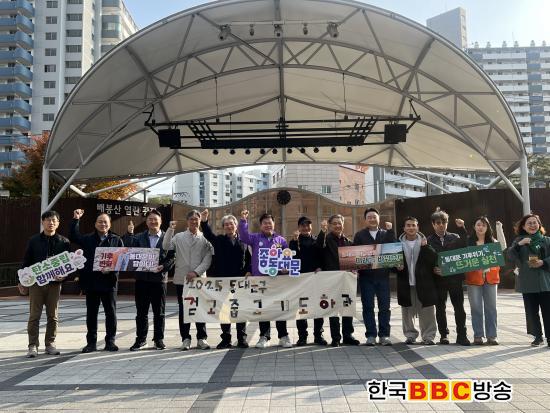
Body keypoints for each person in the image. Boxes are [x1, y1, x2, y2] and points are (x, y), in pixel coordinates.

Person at [70, 209, 123, 353]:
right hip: (91, 282)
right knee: (91, 314)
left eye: (105, 222)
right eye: (100, 222)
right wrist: (76, 219)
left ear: (110, 224)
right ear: (95, 224)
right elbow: (73, 236)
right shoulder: (87, 239)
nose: (102, 224)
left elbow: (122, 260)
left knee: (110, 313)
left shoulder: (116, 240)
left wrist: (111, 270)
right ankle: (91, 343)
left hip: (109, 282)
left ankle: (110, 342)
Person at [238, 210, 292, 349]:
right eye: (265, 223)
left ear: (274, 224)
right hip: (261, 280)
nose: (268, 225)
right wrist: (243, 221)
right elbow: (243, 236)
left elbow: (287, 257)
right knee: (263, 309)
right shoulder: (255, 238)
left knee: (279, 308)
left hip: (277, 280)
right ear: (261, 225)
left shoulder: (280, 240)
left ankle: (283, 336)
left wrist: (286, 268)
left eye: (270, 222)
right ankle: (264, 337)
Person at [21, 210, 70, 358]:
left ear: (58, 223)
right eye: (48, 220)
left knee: (53, 316)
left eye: (54, 220)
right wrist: (22, 281)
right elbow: (26, 261)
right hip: (36, 284)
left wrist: (64, 277)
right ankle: (32, 345)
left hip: (55, 284)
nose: (51, 223)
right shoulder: (33, 240)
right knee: (34, 316)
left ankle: (50, 344)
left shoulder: (64, 242)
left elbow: (69, 265)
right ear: (42, 222)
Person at [123, 210, 175, 351]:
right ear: (146, 222)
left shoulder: (167, 237)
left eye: (155, 219)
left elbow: (172, 257)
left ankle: (158, 340)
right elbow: (128, 250)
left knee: (160, 312)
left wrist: (164, 267)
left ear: (161, 221)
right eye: (150, 219)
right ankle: (141, 340)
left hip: (159, 280)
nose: (153, 222)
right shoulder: (139, 237)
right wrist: (129, 233)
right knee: (141, 312)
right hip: (142, 280)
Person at [200, 209, 251, 349]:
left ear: (236, 225)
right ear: (223, 227)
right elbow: (208, 234)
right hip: (223, 281)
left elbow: (248, 259)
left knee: (240, 309)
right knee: (224, 310)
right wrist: (204, 221)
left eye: (231, 224)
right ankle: (226, 338)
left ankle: (242, 338)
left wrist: (248, 271)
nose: (229, 226)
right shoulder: (219, 240)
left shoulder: (244, 241)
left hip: (240, 281)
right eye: (226, 224)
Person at [163, 210, 213, 350]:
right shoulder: (179, 237)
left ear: (200, 221)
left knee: (200, 308)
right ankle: (185, 338)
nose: (194, 221)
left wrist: (196, 272)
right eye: (191, 219)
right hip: (182, 279)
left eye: (196, 219)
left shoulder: (205, 238)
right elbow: (166, 246)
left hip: (199, 280)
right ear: (187, 221)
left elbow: (208, 258)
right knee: (184, 309)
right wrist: (170, 230)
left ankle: (202, 338)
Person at [427, 208, 471, 346]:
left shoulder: (455, 237)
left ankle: (462, 335)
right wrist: (433, 269)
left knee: (459, 308)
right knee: (440, 308)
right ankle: (443, 335)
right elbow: (427, 260)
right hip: (438, 280)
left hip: (454, 279)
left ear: (447, 223)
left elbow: (465, 245)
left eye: (444, 222)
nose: (441, 225)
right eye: (438, 223)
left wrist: (462, 228)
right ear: (433, 224)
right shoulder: (428, 241)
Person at [353, 208, 395, 346]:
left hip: (383, 277)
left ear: (379, 218)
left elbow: (393, 251)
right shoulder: (359, 235)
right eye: (369, 217)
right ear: (365, 220)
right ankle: (371, 335)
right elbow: (355, 256)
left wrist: (391, 231)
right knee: (368, 307)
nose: (372, 219)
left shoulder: (386, 233)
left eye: (374, 217)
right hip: (366, 278)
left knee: (385, 307)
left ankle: (384, 335)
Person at [316, 214, 360, 347]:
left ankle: (348, 335)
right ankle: (335, 337)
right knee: (333, 308)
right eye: (334, 223)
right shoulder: (325, 239)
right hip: (331, 280)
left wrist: (355, 269)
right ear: (329, 226)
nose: (337, 225)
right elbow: (318, 247)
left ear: (343, 225)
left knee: (347, 306)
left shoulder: (348, 242)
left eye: (339, 223)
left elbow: (354, 261)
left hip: (346, 280)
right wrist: (322, 231)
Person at [508, 214, 550, 347]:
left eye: (534, 223)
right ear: (524, 227)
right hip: (527, 282)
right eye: (529, 223)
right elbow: (510, 256)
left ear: (539, 225)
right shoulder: (518, 241)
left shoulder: (547, 240)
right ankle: (537, 336)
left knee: (548, 311)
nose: (532, 225)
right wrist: (520, 244)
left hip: (545, 282)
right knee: (532, 312)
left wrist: (543, 262)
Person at [396, 217, 438, 345]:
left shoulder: (425, 242)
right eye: (408, 225)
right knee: (407, 311)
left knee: (427, 310)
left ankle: (428, 336)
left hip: (424, 283)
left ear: (418, 227)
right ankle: (410, 335)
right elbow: (391, 262)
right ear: (404, 228)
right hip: (405, 283)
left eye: (413, 225)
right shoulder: (397, 244)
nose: (411, 228)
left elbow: (434, 259)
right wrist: (396, 267)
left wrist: (425, 247)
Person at [465, 217, 506, 346]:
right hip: (473, 279)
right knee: (476, 308)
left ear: (487, 227)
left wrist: (499, 229)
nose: (481, 227)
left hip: (491, 278)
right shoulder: (469, 242)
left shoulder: (492, 241)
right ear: (474, 227)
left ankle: (492, 336)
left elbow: (503, 247)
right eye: (478, 225)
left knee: (491, 308)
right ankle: (478, 336)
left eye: (483, 225)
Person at [289, 216, 327, 346]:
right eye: (303, 225)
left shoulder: (317, 240)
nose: (305, 227)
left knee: (318, 307)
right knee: (301, 309)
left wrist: (320, 267)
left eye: (308, 225)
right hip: (300, 281)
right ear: (299, 227)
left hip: (316, 279)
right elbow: (292, 259)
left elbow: (322, 256)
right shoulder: (294, 241)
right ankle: (302, 336)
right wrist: (294, 241)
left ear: (311, 226)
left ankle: (318, 335)